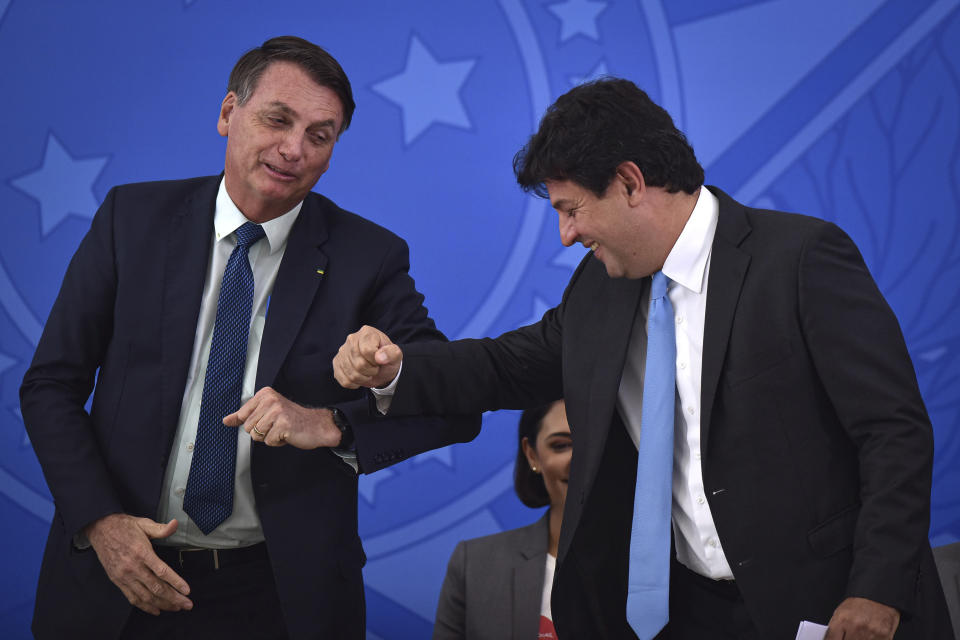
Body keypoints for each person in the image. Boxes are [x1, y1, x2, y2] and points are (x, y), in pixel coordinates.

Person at [333, 78, 954, 639]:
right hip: (686, 616)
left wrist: (877, 588)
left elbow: (893, 433)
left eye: (571, 209)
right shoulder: (598, 288)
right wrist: (397, 369)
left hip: (831, 607)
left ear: (630, 183)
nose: (567, 235)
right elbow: (505, 366)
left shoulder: (801, 259)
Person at [19, 35, 479, 640]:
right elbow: (51, 385)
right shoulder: (130, 221)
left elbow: (455, 406)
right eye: (277, 120)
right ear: (228, 114)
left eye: (320, 134)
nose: (294, 149)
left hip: (279, 596)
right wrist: (102, 524)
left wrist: (333, 423)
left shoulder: (367, 257)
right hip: (118, 578)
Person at [434, 400, 571, 640]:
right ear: (532, 454)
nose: (580, 459)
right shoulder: (474, 565)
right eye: (561, 445)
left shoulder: (656, 566)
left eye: (596, 442)